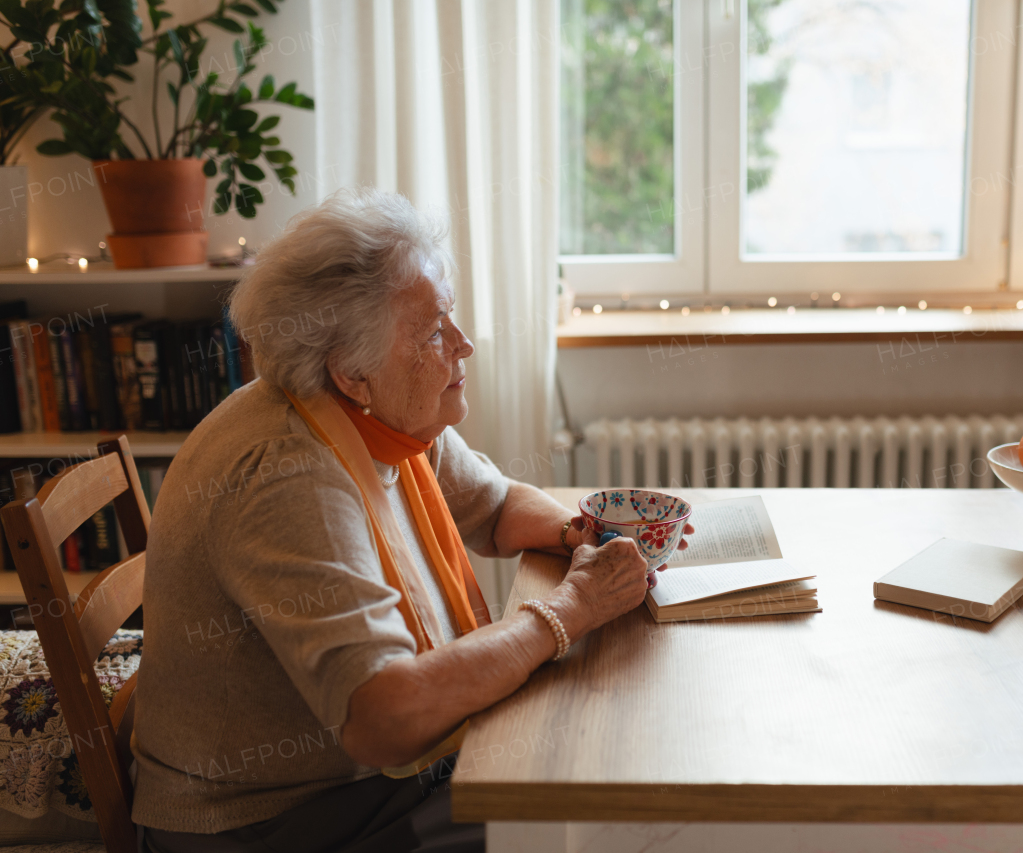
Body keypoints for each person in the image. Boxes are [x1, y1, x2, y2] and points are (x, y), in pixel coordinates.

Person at [131, 187, 693, 852]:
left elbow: (497, 505)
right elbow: (384, 714)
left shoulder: (377, 415)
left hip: (366, 784)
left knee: (591, 776)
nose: (464, 344)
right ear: (353, 373)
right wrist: (566, 610)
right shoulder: (288, 474)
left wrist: (591, 536)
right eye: (433, 333)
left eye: (450, 318)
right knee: (592, 822)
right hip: (275, 820)